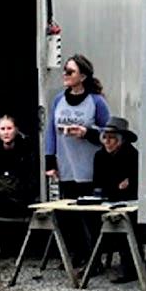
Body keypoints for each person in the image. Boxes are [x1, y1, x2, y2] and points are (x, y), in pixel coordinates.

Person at [44, 53, 110, 267]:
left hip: (89, 167)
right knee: (68, 214)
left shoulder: (96, 101)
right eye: (64, 70)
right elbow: (51, 132)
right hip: (66, 165)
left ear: (82, 76)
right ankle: (77, 254)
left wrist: (87, 132)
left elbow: (109, 134)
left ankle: (95, 258)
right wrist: (50, 161)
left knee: (90, 216)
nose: (65, 74)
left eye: (70, 71)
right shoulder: (58, 100)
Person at [0, 115, 36, 271]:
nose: (6, 132)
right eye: (2, 129)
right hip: (0, 197)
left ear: (16, 130)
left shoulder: (25, 152)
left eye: (9, 128)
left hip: (21, 199)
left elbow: (31, 179)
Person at [92, 116, 139, 284]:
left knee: (126, 223)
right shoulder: (99, 156)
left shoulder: (132, 155)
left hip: (129, 202)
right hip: (106, 199)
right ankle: (94, 263)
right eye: (105, 137)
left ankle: (131, 268)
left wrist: (125, 184)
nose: (107, 142)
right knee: (89, 221)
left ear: (121, 140)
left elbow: (134, 183)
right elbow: (97, 183)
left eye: (111, 138)